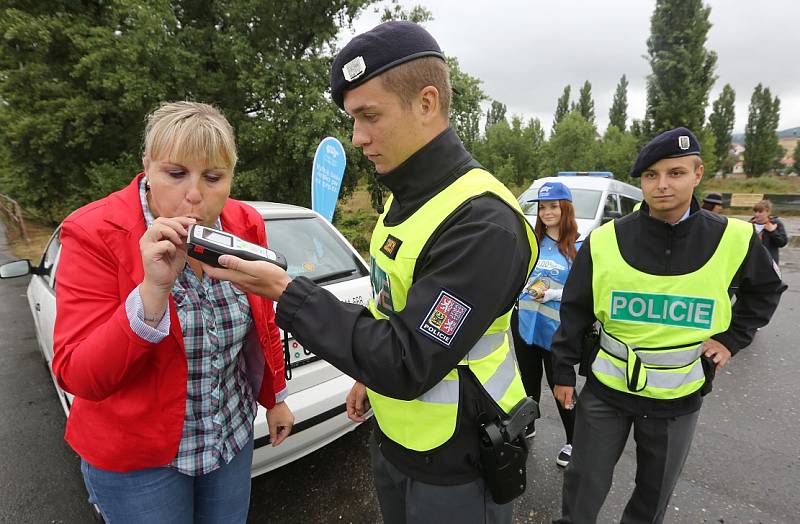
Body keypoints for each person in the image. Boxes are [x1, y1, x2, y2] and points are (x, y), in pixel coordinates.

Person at [203, 21, 538, 524]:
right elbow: (391, 310)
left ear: (427, 103)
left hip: (459, 458)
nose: (356, 137)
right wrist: (367, 377)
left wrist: (287, 293)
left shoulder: (483, 223)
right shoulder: (407, 197)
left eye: (368, 116)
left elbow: (407, 360)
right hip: (397, 434)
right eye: (351, 119)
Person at [52, 101, 294, 523]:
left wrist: (274, 398)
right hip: (140, 462)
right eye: (176, 173)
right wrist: (152, 291)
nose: (195, 194)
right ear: (147, 167)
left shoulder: (243, 222)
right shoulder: (94, 232)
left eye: (214, 177)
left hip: (228, 437)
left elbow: (263, 321)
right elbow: (78, 374)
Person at [550, 127, 786, 524]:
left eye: (675, 173)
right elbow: (575, 308)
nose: (661, 185)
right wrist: (562, 371)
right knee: (583, 482)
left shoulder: (734, 237)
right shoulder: (606, 239)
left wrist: (731, 339)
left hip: (679, 398)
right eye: (650, 176)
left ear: (697, 174)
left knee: (653, 494)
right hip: (607, 392)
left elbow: (765, 291)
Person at [511, 181, 580, 468]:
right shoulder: (531, 242)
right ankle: (530, 424)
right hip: (525, 322)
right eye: (542, 208)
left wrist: (553, 293)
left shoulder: (579, 245)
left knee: (561, 385)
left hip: (556, 331)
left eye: (553, 206)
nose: (547, 212)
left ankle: (574, 440)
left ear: (565, 208)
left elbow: (583, 290)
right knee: (528, 382)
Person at [751, 199, 788, 265]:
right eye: (755, 211)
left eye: (760, 212)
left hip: (770, 263)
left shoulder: (776, 224)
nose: (756, 214)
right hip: (752, 263)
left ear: (768, 212)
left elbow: (782, 243)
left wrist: (772, 232)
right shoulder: (749, 225)